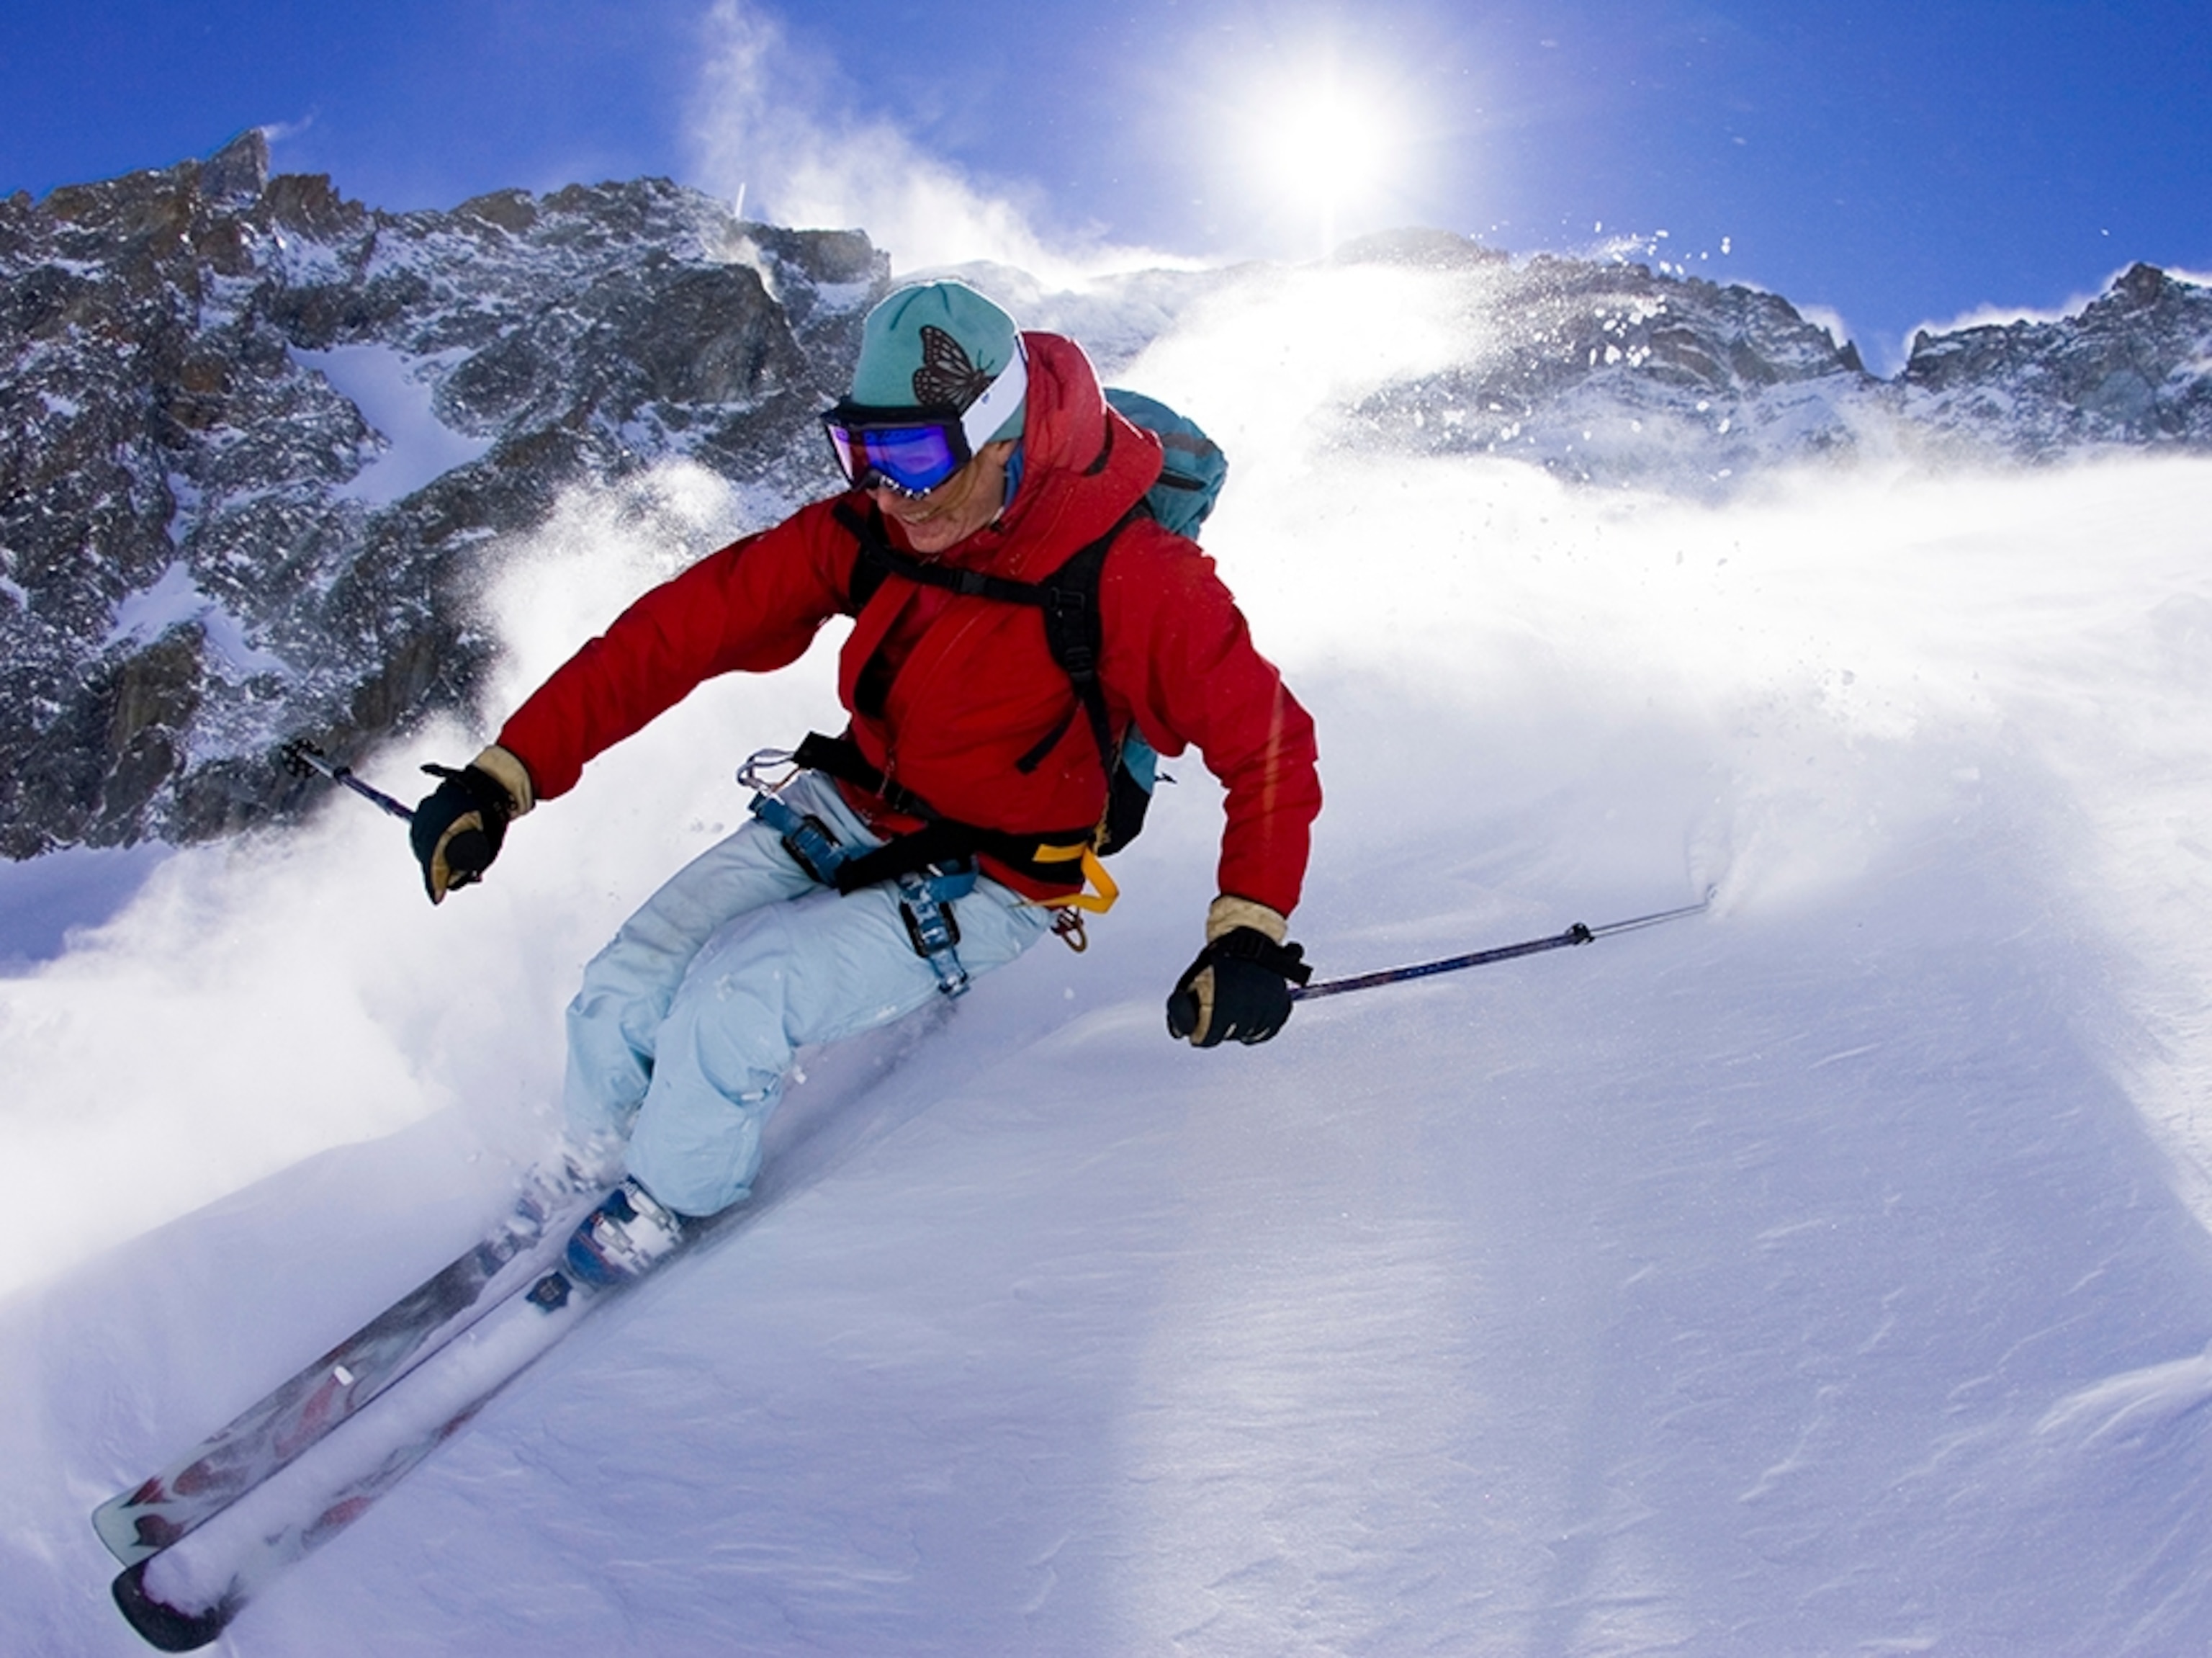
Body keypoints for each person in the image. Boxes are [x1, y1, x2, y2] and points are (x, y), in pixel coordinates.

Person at [409, 280, 1321, 1278]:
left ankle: (667, 1198)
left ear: (1003, 435)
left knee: (736, 1002)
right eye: (862, 452)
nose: (890, 490)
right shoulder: (876, 525)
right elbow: (680, 631)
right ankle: (592, 1156)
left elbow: (1267, 741)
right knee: (621, 988)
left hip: (995, 873)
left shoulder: (1134, 573)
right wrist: (509, 772)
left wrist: (1250, 928)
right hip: (846, 808)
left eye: (918, 455)